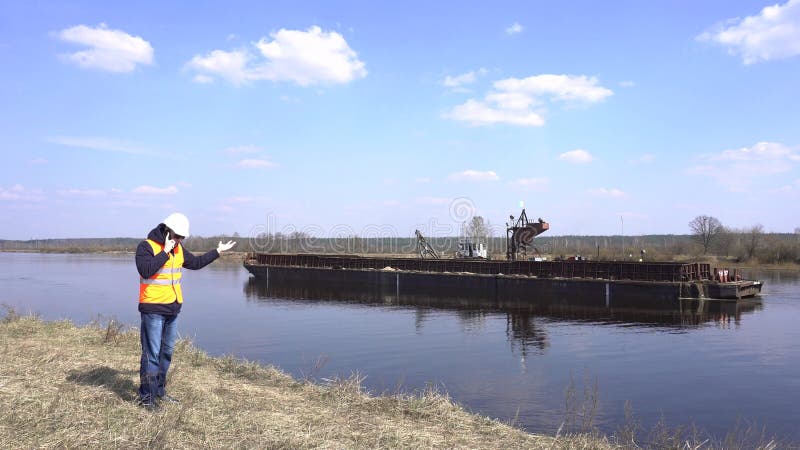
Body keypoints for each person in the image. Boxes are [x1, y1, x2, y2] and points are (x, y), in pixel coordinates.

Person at [135, 212, 236, 410]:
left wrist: (218, 251)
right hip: (153, 309)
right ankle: (146, 398)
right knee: (152, 355)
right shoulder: (146, 246)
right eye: (178, 236)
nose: (180, 240)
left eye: (182, 237)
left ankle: (159, 391)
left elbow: (196, 264)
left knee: (166, 353)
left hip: (173, 309)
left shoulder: (178, 249)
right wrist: (165, 251)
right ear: (167, 231)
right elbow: (146, 270)